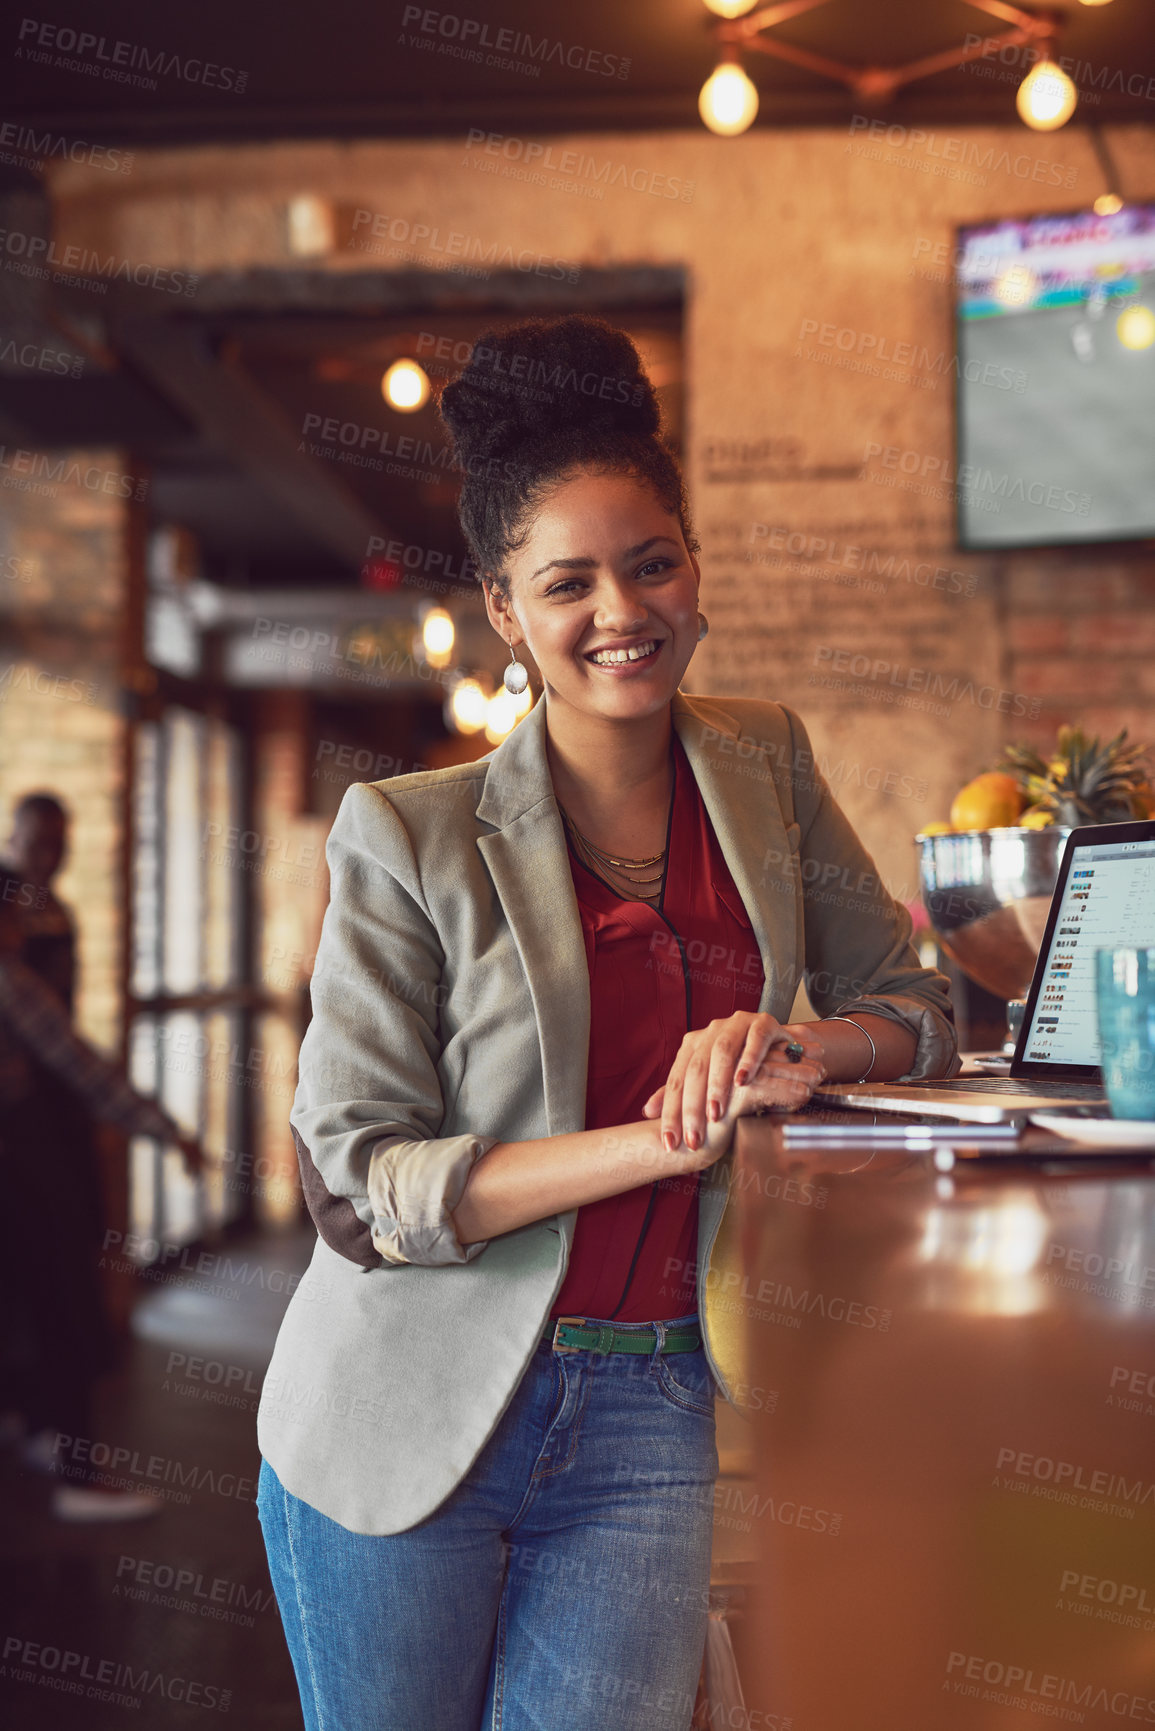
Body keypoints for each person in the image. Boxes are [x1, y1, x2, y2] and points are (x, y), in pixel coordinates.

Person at [256, 316, 958, 1731]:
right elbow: (365, 1178)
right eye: (564, 581)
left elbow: (919, 1007)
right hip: (407, 1411)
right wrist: (664, 1138)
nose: (618, 610)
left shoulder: (762, 761)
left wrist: (795, 1051)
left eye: (650, 563)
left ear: (693, 570)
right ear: (506, 609)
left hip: (647, 1413)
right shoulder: (405, 829)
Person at [0, 869, 201, 1521]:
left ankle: (39, 1434)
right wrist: (169, 1130)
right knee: (63, 1310)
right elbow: (83, 1067)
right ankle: (81, 1479)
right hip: (24, 1177)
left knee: (29, 1308)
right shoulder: (11, 981)